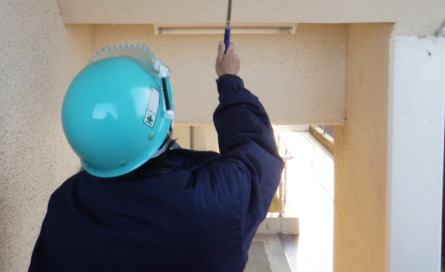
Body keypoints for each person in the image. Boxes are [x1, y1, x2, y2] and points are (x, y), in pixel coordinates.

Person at [28, 41, 284, 272]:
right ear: (164, 122)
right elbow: (256, 153)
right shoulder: (215, 200)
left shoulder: (66, 205)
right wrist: (230, 81)